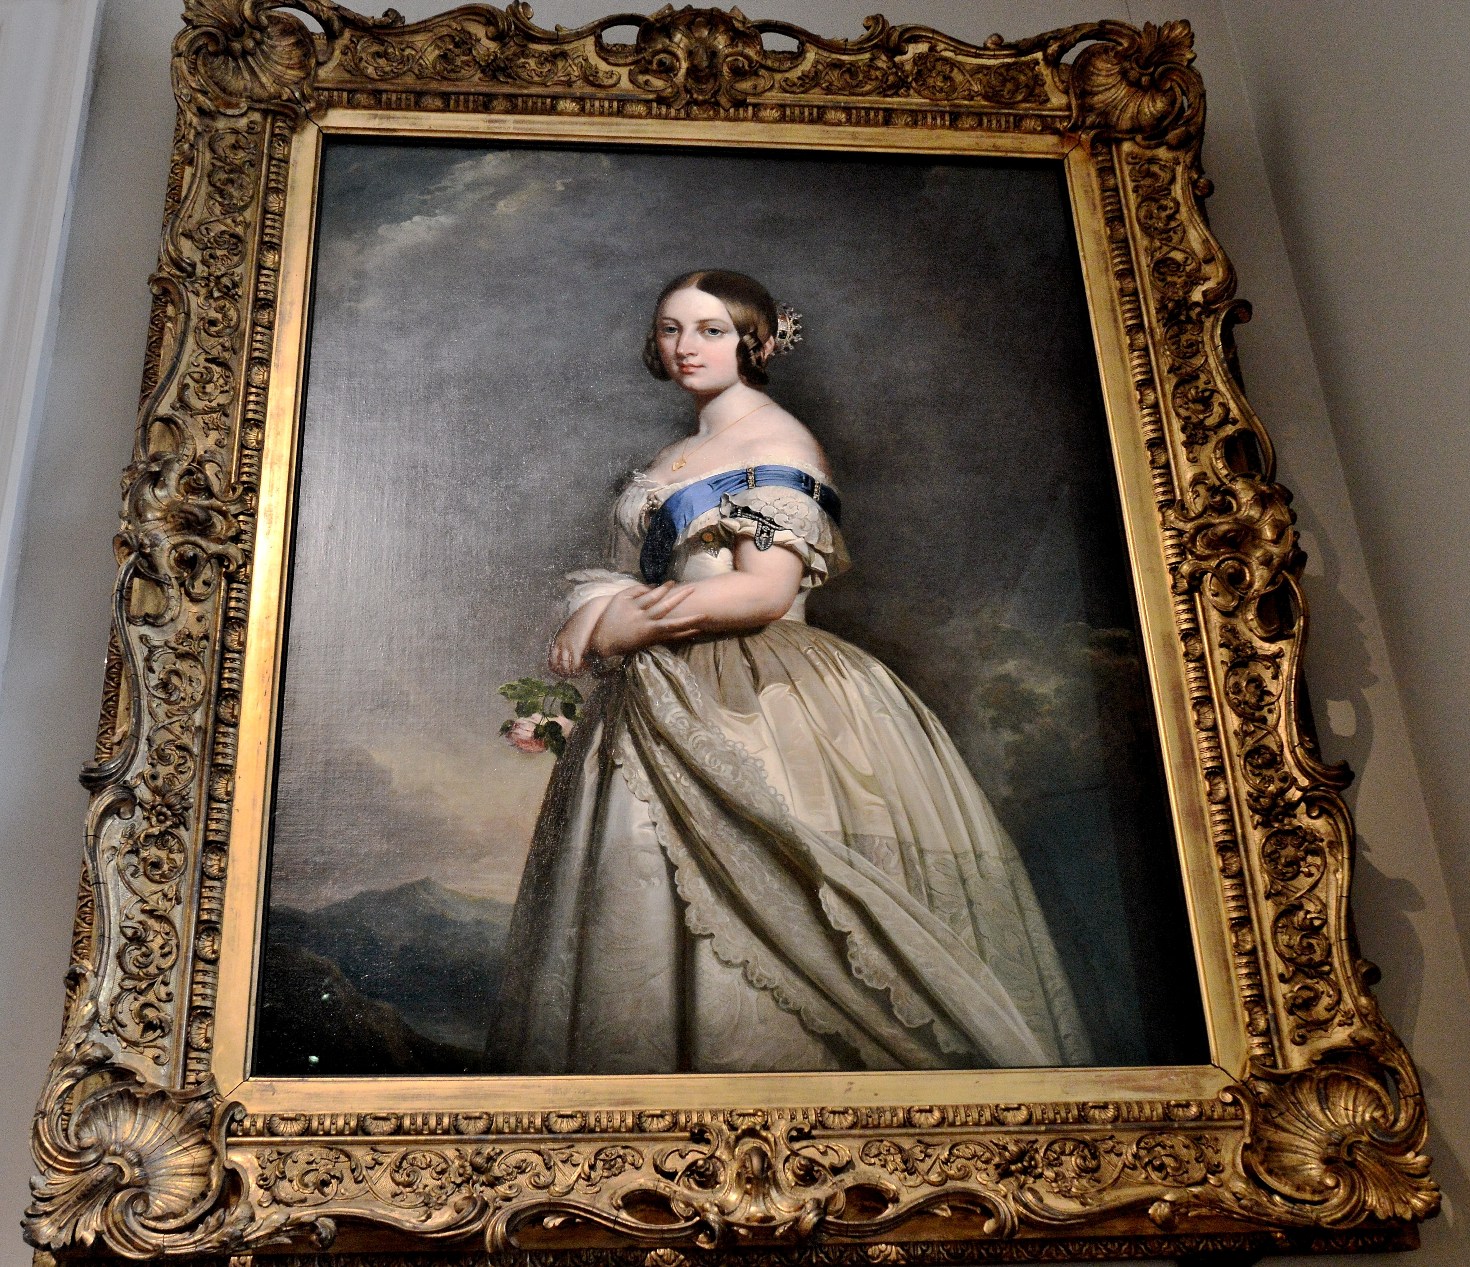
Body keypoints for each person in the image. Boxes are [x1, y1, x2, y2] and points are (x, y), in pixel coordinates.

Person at [486, 270, 1091, 1073]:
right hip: (656, 691)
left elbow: (763, 591)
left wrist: (621, 621)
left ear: (759, 344)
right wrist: (600, 610)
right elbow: (643, 570)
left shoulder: (778, 443)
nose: (687, 347)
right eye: (671, 329)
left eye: (711, 330)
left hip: (766, 693)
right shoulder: (675, 454)